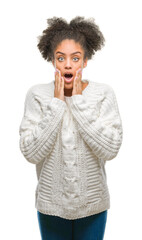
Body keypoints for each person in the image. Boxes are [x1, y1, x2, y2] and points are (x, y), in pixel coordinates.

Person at [19, 16, 123, 240]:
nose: (68, 64)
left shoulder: (103, 94)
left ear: (85, 61)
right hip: (51, 207)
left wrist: (76, 101)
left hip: (93, 206)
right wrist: (56, 104)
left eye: (75, 58)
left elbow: (111, 149)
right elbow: (30, 152)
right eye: (60, 58)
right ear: (52, 60)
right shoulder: (37, 95)